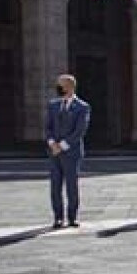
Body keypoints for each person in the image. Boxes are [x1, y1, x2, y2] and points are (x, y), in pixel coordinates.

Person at [45, 74, 91, 228]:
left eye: (61, 85)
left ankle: (72, 217)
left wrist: (62, 145)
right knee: (55, 185)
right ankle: (58, 217)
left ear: (70, 87)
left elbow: (80, 131)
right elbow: (48, 126)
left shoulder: (82, 107)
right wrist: (52, 143)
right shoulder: (53, 105)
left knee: (71, 185)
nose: (58, 88)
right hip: (54, 152)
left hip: (71, 152)